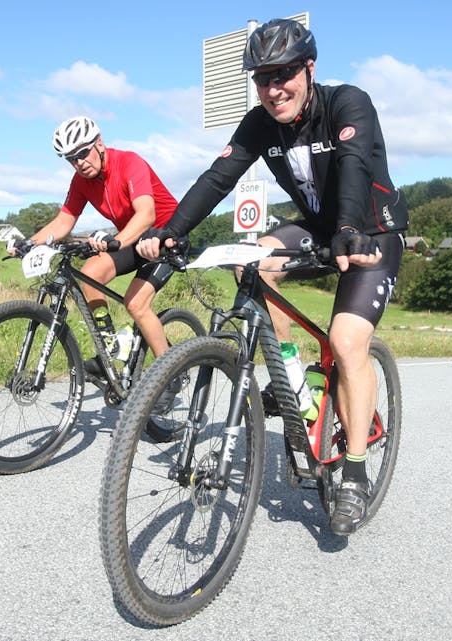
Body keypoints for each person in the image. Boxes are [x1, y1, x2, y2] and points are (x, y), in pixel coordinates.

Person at [137, 18, 408, 535]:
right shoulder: (259, 122)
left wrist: (350, 229)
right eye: (262, 78)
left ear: (309, 68)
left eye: (283, 74)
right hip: (315, 227)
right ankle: (287, 375)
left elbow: (353, 166)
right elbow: (218, 177)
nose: (273, 88)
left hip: (370, 232)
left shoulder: (349, 103)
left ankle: (353, 471)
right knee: (249, 260)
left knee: (347, 342)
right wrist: (172, 232)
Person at [11, 116, 179, 391]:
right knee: (89, 275)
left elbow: (147, 214)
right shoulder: (80, 181)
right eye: (71, 159)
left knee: (135, 303)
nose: (79, 163)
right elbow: (64, 223)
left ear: (99, 144)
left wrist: (116, 241)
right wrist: (29, 243)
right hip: (131, 238)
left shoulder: (129, 162)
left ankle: (168, 378)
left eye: (82, 153)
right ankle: (110, 351)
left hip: (165, 236)